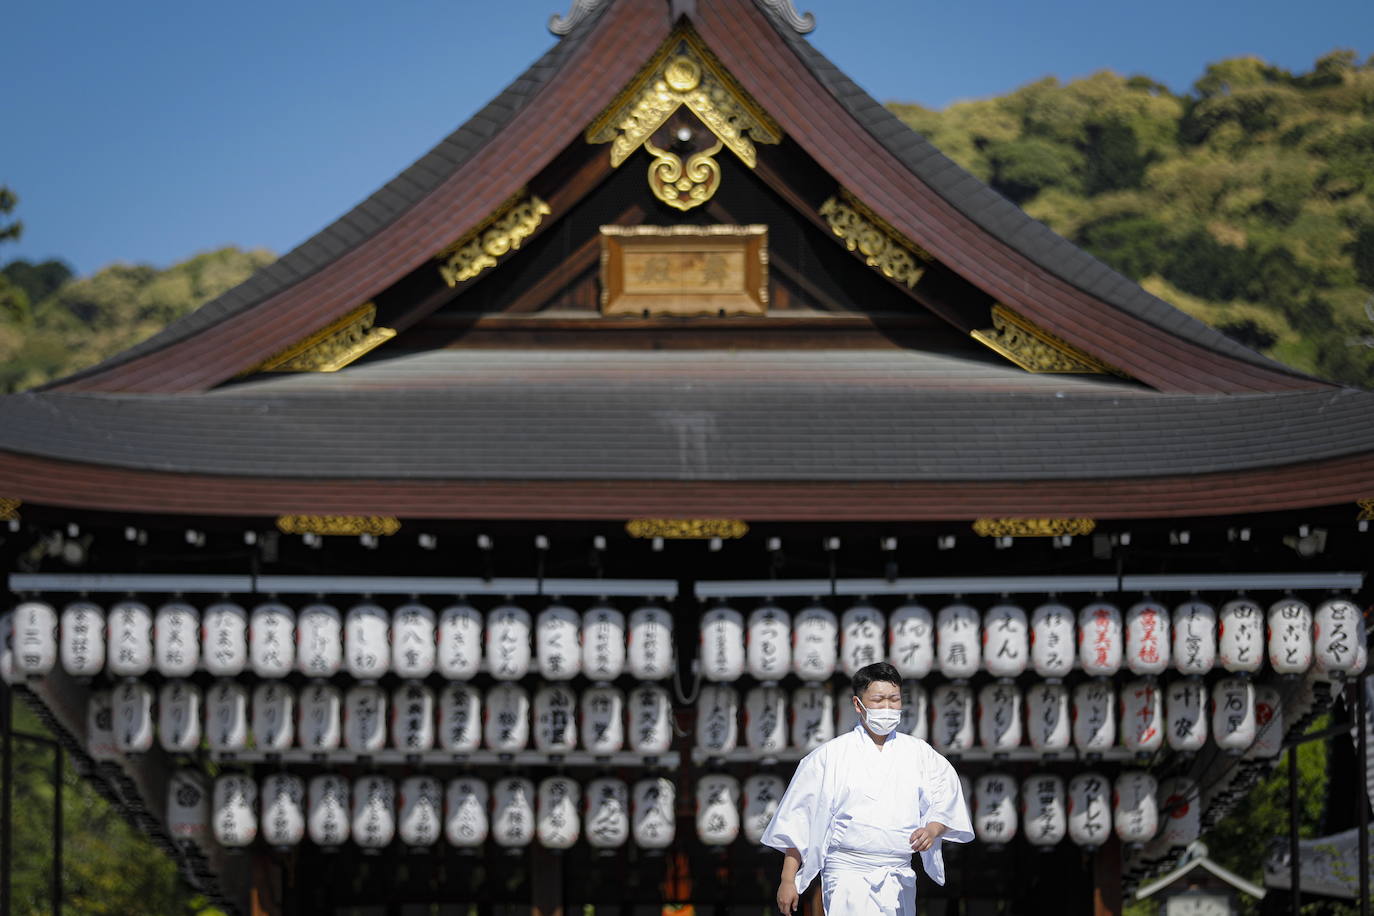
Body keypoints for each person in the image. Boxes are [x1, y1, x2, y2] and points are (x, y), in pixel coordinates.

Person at [762, 662, 973, 916]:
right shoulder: (830, 756)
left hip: (897, 876)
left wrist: (932, 828)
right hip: (847, 875)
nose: (887, 707)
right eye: (878, 700)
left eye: (894, 699)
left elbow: (945, 799)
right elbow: (798, 821)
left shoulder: (920, 754)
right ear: (857, 704)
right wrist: (787, 879)